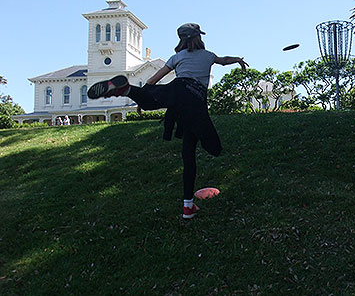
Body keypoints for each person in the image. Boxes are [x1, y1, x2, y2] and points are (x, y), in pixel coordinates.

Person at [87, 23, 248, 219]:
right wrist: (238, 60)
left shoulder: (177, 58)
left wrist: (141, 99)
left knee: (187, 152)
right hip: (194, 101)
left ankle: (126, 89)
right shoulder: (208, 56)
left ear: (182, 40)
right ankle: (188, 206)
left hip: (177, 93)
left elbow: (153, 81)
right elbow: (223, 60)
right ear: (198, 37)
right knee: (213, 149)